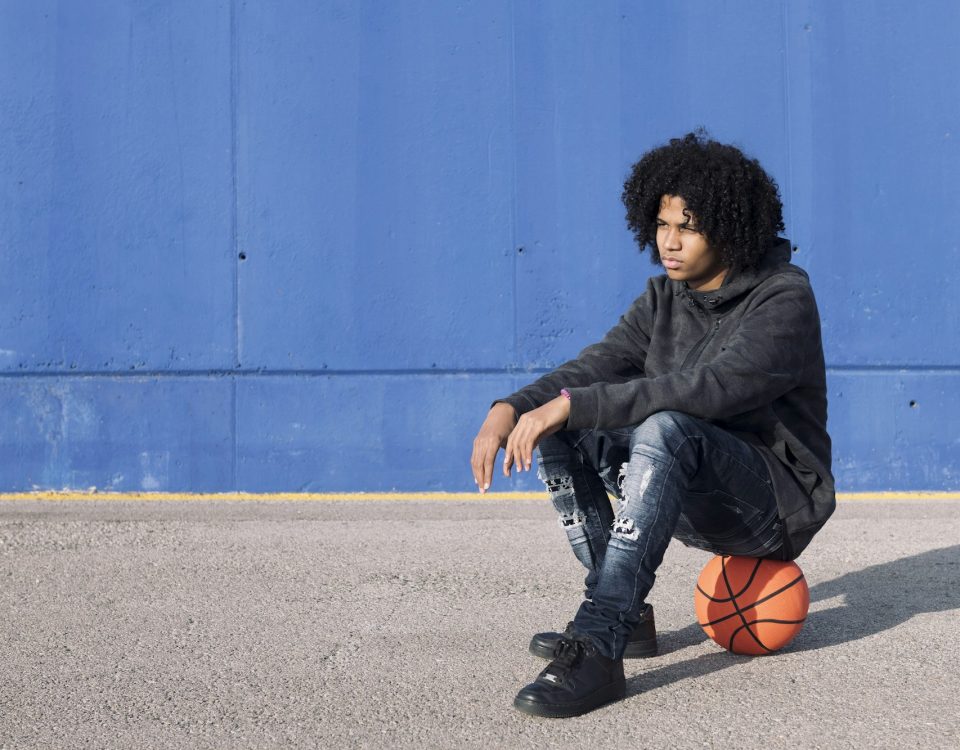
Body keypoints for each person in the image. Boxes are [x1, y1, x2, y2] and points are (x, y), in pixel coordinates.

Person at [469, 131, 835, 718]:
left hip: (772, 505)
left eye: (687, 227)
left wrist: (574, 403)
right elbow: (595, 364)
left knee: (665, 424)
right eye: (662, 225)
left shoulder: (783, 298)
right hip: (685, 484)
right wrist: (511, 407)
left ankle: (598, 642)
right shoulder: (665, 296)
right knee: (564, 425)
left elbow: (714, 388)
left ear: (731, 227)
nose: (669, 242)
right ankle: (627, 614)